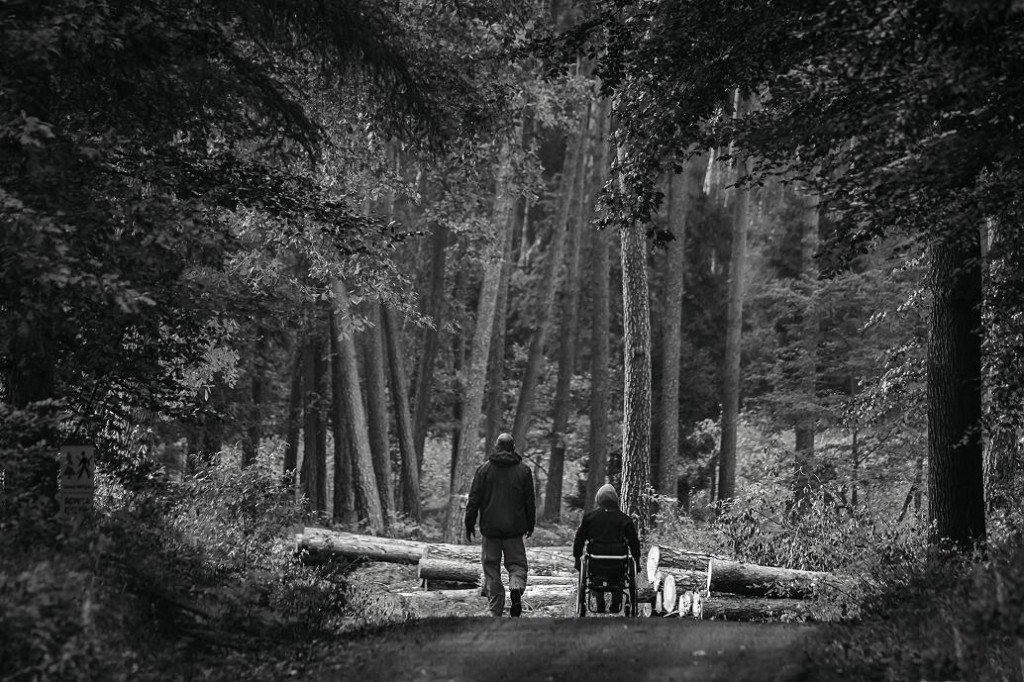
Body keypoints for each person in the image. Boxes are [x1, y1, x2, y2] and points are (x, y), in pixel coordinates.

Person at [465, 433, 536, 617]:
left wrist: (469, 523)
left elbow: (474, 500)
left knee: (491, 568)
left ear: (496, 447)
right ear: (513, 448)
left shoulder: (483, 470)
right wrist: (530, 524)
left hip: (490, 531)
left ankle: (495, 608)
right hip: (514, 531)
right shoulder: (524, 471)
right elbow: (530, 501)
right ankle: (516, 586)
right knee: (518, 565)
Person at [572, 483, 641, 613]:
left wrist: (577, 558)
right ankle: (617, 602)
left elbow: (579, 539)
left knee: (594, 573)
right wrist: (637, 561)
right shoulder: (625, 519)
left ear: (599, 499)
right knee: (619, 574)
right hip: (619, 563)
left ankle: (600, 602)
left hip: (596, 561)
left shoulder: (590, 518)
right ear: (616, 500)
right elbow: (634, 543)